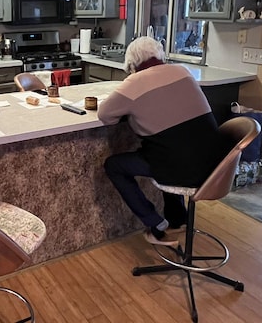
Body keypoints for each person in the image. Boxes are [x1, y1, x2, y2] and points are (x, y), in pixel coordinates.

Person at [97, 36, 228, 246]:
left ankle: (155, 223)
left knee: (115, 165)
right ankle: (179, 218)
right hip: (216, 167)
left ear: (131, 65)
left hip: (180, 170)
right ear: (160, 55)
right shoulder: (183, 72)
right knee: (170, 147)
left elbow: (105, 115)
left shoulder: (134, 82)